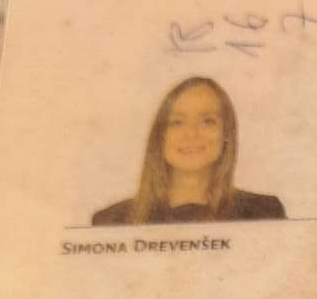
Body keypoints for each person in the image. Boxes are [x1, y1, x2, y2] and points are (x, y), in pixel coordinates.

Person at [91, 77, 286, 225]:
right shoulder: (111, 221)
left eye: (207, 121)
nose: (191, 134)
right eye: (177, 122)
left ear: (227, 134)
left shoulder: (264, 213)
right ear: (159, 136)